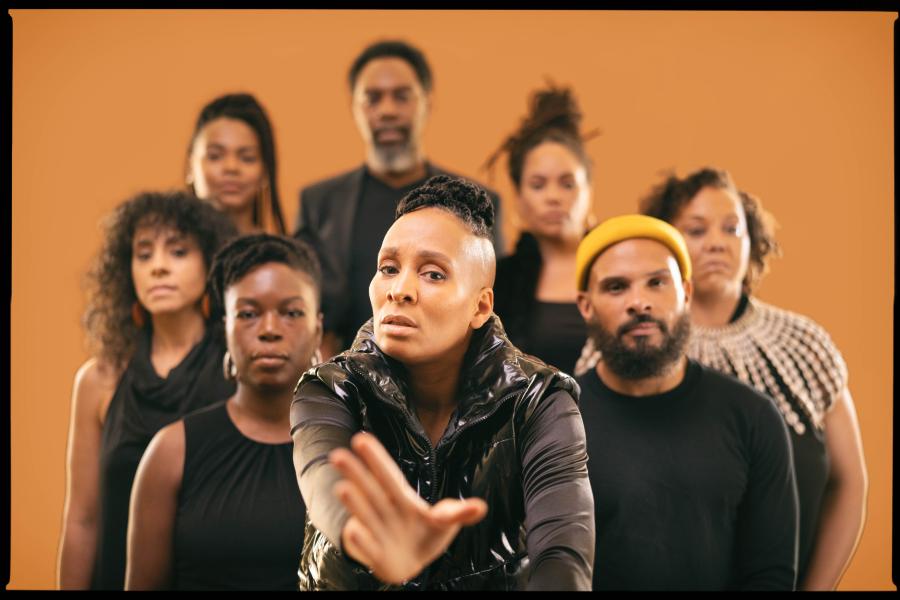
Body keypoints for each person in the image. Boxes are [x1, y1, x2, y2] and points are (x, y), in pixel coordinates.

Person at [290, 175, 594, 590]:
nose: (400, 290)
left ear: (480, 306)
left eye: (433, 274)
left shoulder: (540, 400)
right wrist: (372, 539)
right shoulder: (330, 387)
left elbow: (563, 556)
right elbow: (324, 478)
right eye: (389, 268)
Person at [618, 168, 863, 590]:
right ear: (665, 248)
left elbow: (850, 481)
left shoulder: (805, 344)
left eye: (732, 228)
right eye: (696, 230)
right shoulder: (630, 347)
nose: (716, 241)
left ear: (752, 243)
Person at [574, 214, 799, 590]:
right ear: (585, 305)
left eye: (657, 283)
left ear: (687, 293)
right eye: (616, 287)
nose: (639, 302)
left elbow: (770, 576)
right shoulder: (554, 420)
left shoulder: (753, 417)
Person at [57, 191, 238, 590]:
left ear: (210, 262)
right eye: (143, 254)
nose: (158, 267)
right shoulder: (97, 380)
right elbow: (82, 519)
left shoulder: (237, 369)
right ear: (127, 271)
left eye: (177, 252)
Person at [125, 234, 323, 590]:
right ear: (226, 330)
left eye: (291, 313)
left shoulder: (354, 448)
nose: (269, 330)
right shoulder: (172, 451)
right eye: (248, 314)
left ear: (318, 330)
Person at [294, 40, 504, 359]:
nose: (388, 111)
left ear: (427, 103)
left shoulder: (478, 204)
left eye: (402, 97)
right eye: (373, 98)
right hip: (347, 386)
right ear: (355, 107)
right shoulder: (319, 203)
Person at [486, 83, 597, 373]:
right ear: (520, 198)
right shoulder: (499, 282)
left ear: (589, 191)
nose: (553, 196)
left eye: (567, 183)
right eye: (538, 185)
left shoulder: (619, 267)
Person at [186, 93, 287, 235]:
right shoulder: (163, 251)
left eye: (247, 158)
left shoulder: (277, 254)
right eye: (215, 156)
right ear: (190, 167)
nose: (231, 167)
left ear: (265, 171)